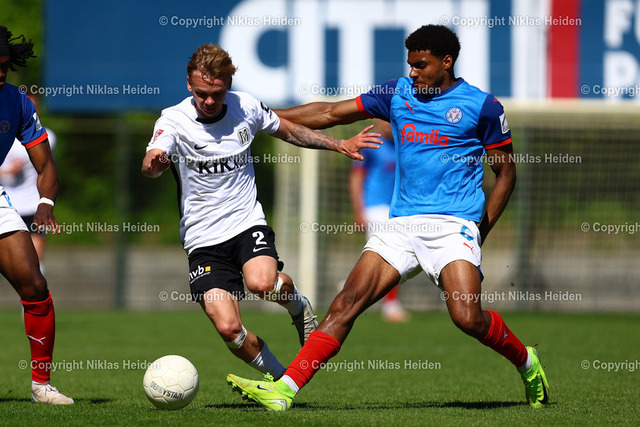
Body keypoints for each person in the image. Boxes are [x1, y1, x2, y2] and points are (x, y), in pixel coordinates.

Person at [227, 24, 549, 410]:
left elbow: (506, 173)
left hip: (454, 225)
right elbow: (330, 112)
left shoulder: (482, 106)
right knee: (346, 303)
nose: (413, 72)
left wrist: (482, 229)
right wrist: (261, 118)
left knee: (468, 318)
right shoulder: (397, 92)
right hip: (400, 226)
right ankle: (285, 390)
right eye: (410, 64)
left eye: (421, 65)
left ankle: (527, 362)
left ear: (447, 62)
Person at [141, 44, 381, 381]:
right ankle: (281, 381)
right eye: (201, 93)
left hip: (245, 222)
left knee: (262, 284)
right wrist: (154, 165)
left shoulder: (246, 107)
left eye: (217, 93)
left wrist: (337, 144)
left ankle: (298, 306)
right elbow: (152, 159)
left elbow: (290, 130)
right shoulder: (173, 120)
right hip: (202, 237)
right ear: (188, 84)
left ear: (228, 84)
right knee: (228, 328)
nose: (209, 101)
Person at [0, 26, 73, 404]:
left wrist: (46, 203)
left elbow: (45, 165)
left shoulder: (17, 102)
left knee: (35, 286)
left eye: (4, 66)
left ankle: (41, 386)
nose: (0, 74)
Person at [349, 119, 409, 323]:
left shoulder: (404, 145)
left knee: (391, 257)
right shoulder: (371, 145)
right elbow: (356, 177)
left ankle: (350, 288)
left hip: (398, 209)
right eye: (383, 120)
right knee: (389, 257)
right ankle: (391, 306)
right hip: (375, 208)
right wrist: (359, 210)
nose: (387, 124)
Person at [0, 93, 56, 264]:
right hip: (8, 204)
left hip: (33, 204)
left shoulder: (47, 136)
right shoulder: (6, 136)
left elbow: (47, 167)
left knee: (35, 260)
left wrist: (46, 201)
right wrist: (8, 171)